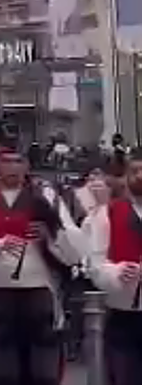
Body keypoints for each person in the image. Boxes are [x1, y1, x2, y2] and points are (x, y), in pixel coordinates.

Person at [0, 136, 84, 385]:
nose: (14, 167)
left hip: (38, 290)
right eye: (7, 161)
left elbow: (74, 250)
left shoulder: (46, 196)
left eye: (19, 161)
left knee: (42, 367)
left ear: (27, 165)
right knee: (3, 366)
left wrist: (50, 235)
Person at [81, 148, 142, 384]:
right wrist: (117, 272)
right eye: (134, 171)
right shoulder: (107, 213)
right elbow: (95, 263)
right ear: (125, 176)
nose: (139, 176)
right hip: (123, 314)